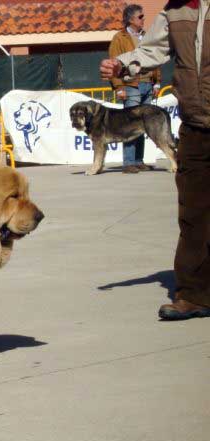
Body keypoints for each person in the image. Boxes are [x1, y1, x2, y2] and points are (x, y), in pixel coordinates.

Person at [100, 1, 210, 320]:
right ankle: (193, 295)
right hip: (196, 126)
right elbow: (152, 51)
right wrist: (122, 65)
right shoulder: (174, 12)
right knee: (192, 214)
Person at [108, 4, 162, 174]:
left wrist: (157, 82)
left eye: (143, 16)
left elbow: (155, 58)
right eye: (140, 17)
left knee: (143, 125)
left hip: (147, 84)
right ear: (130, 19)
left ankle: (139, 160)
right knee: (130, 124)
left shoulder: (147, 37)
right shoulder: (119, 38)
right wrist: (118, 87)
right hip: (130, 86)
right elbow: (113, 63)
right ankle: (128, 162)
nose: (143, 19)